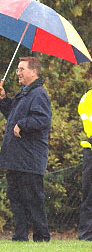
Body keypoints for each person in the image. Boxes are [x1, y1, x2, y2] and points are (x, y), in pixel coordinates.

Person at [0, 56, 52, 242]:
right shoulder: (24, 93)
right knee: (16, 199)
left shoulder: (39, 94)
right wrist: (4, 99)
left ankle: (42, 237)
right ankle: (20, 236)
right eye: (17, 69)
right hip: (16, 158)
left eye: (21, 69)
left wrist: (23, 124)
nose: (17, 73)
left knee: (33, 199)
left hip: (30, 159)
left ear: (33, 72)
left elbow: (43, 119)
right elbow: (12, 115)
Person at [78, 88, 92, 240]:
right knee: (89, 196)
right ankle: (87, 235)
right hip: (91, 151)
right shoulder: (88, 98)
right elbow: (88, 124)